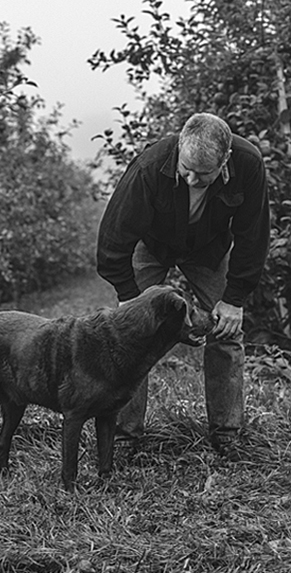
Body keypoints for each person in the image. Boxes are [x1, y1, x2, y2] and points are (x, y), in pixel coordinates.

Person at [96, 112, 270, 460]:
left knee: (227, 331)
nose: (192, 178)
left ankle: (226, 434)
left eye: (203, 174)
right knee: (129, 332)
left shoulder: (249, 164)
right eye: (185, 169)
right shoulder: (149, 167)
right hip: (153, 244)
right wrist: (131, 299)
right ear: (178, 149)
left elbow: (253, 236)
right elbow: (112, 243)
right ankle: (124, 436)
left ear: (225, 160)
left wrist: (234, 299)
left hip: (207, 249)